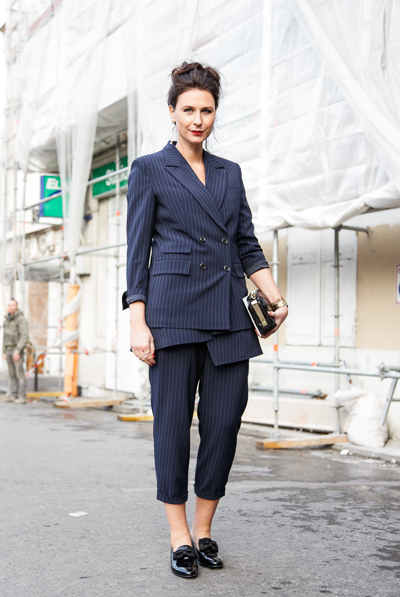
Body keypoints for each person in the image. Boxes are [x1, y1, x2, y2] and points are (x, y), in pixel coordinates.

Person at [122, 61, 288, 579]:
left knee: (224, 425)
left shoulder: (229, 172)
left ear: (216, 113)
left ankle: (205, 527)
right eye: (189, 110)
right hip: (171, 313)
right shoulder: (150, 168)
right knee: (172, 426)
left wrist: (274, 296)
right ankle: (179, 535)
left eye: (207, 110)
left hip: (229, 313)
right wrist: (138, 321)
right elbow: (137, 253)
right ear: (172, 112)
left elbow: (246, 243)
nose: (198, 120)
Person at [2, 298, 29, 404]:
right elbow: (5, 336)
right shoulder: (7, 319)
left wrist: (18, 350)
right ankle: (12, 395)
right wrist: (3, 351)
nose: (11, 307)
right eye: (9, 305)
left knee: (19, 374)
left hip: (16, 350)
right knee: (11, 374)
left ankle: (22, 396)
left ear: (17, 306)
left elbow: (24, 336)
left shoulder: (21, 319)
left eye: (13, 305)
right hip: (8, 349)